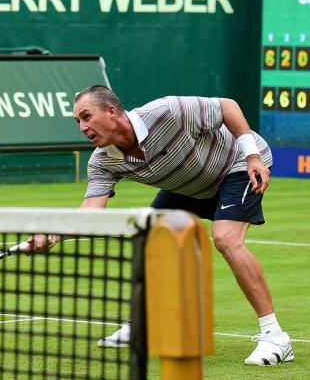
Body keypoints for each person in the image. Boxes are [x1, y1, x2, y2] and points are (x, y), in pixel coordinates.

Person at [27, 85, 293, 366]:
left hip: (236, 166)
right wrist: (53, 231)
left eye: (86, 116)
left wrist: (252, 156)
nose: (82, 127)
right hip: (186, 184)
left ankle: (275, 336)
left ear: (111, 111)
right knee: (149, 238)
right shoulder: (103, 161)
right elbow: (90, 213)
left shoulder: (167, 112)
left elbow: (227, 106)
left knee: (226, 238)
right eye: (77, 121)